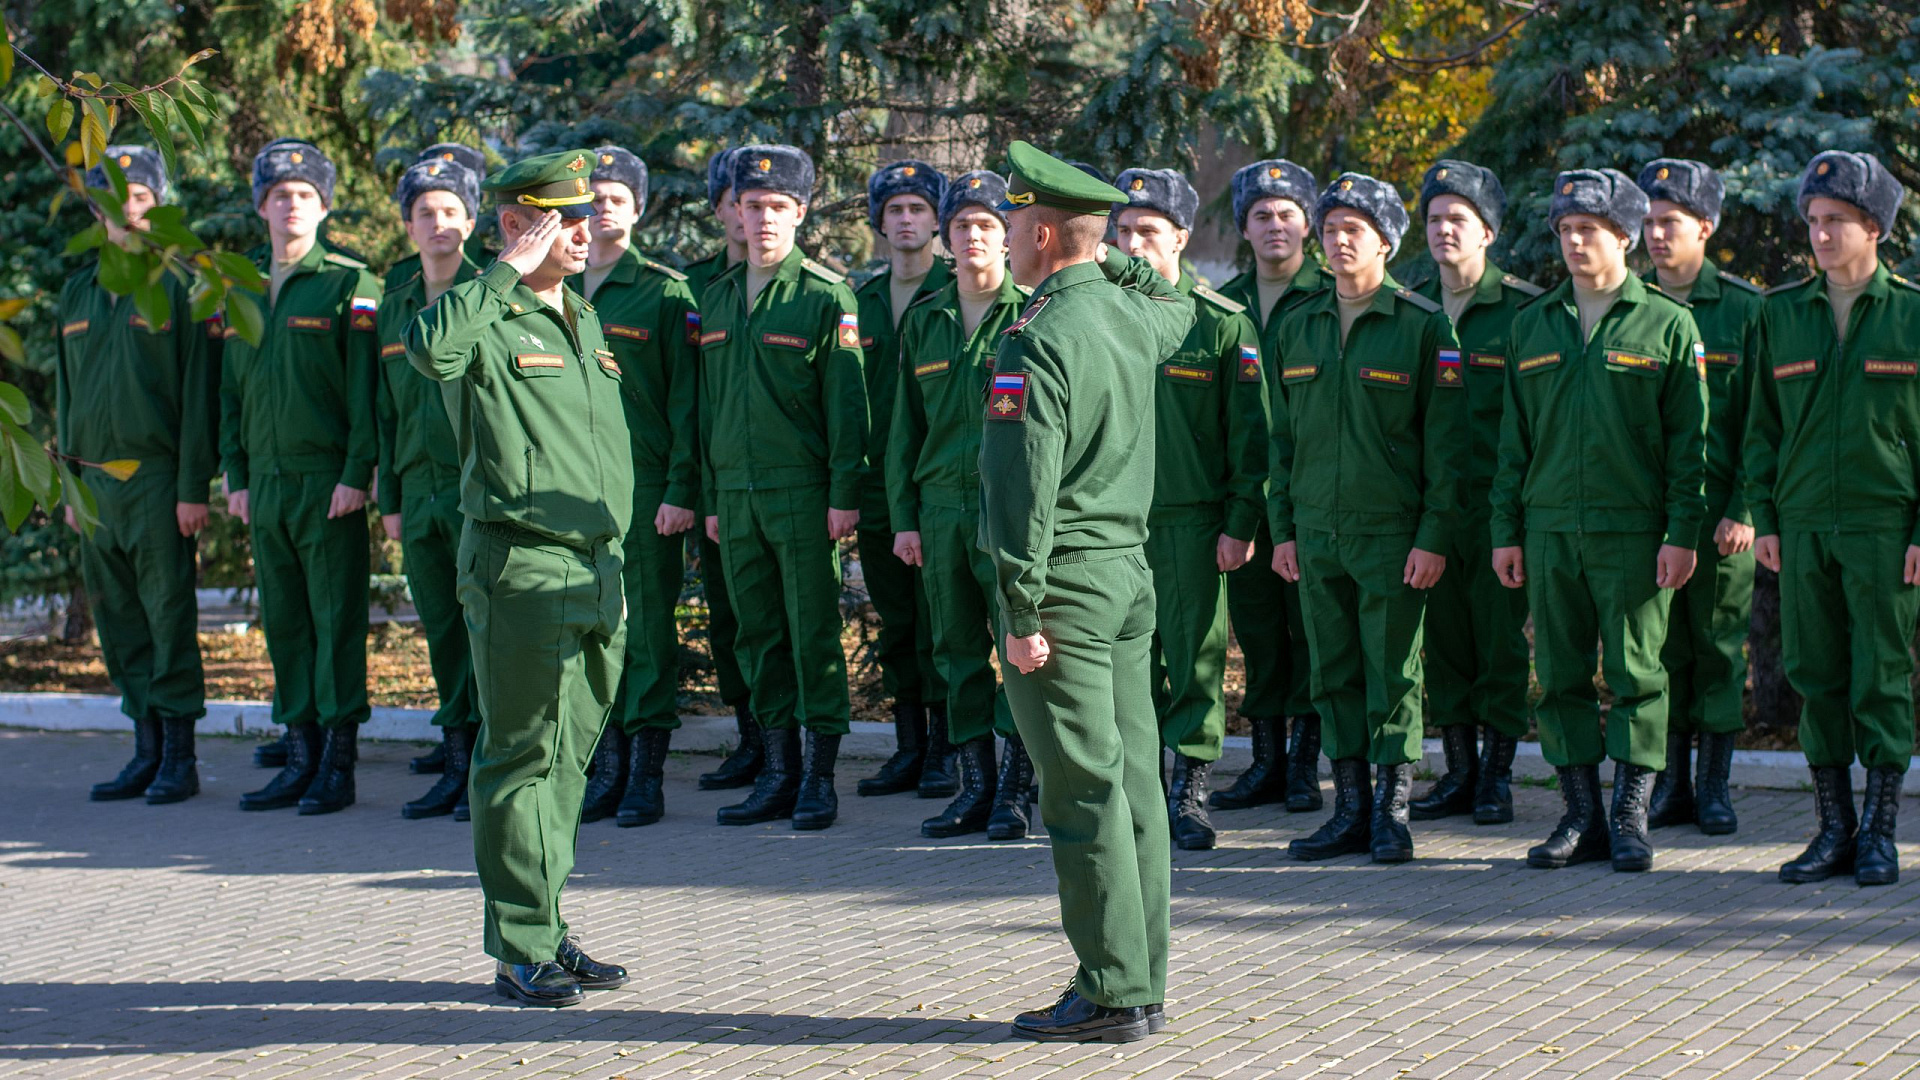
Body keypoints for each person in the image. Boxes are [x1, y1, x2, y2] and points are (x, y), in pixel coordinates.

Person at [405, 149, 633, 1006]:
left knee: (567, 761)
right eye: (563, 219)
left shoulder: (584, 316)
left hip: (598, 564)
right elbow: (429, 350)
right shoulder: (481, 315)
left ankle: (544, 924)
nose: (585, 230)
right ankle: (518, 947)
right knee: (519, 757)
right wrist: (501, 270)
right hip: (522, 561)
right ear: (515, 224)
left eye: (586, 216)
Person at [980, 141, 1193, 1043]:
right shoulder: (1128, 314)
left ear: (1038, 233)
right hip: (1125, 576)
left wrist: (1019, 610)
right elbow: (1181, 303)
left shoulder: (1035, 338)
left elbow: (1020, 493)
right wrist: (1115, 259)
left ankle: (1110, 991)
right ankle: (1141, 979)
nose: (1005, 237)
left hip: (1062, 585)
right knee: (1136, 784)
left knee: (1080, 792)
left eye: (1013, 224)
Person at [1492, 168, 1707, 874]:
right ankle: (1580, 816)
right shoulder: (1533, 324)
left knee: (1637, 674)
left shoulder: (1667, 323)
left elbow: (1691, 445)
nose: (1574, 241)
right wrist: (1506, 532)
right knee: (1559, 677)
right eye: (1565, 229)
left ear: (1624, 236)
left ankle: (1630, 818)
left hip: (1633, 532)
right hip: (1549, 529)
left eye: (1589, 229)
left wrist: (1682, 532)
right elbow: (1513, 444)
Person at [1267, 173, 1466, 864]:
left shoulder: (1421, 325)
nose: (1339, 240)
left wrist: (1433, 536)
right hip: (1316, 533)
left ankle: (1391, 814)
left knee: (1392, 674)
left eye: (1354, 229)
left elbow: (1448, 448)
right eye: (1330, 229)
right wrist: (1284, 530)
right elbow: (1281, 443)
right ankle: (1349, 810)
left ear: (1386, 241)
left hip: (1391, 534)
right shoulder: (1297, 324)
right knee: (1332, 674)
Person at [1750, 150, 1917, 888]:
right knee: (1815, 675)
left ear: (1874, 227)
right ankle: (1833, 829)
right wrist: (1766, 518)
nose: (1820, 234)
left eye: (1836, 221)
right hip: (1804, 524)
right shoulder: (1781, 313)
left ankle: (1879, 834)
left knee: (1881, 674)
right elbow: (1760, 428)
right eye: (1813, 221)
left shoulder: (1912, 314)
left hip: (1885, 525)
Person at [699, 144, 867, 830]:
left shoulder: (825, 296)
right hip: (734, 496)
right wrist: (710, 497)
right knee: (758, 636)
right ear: (735, 212)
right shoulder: (714, 298)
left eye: (777, 206)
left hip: (802, 493)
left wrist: (844, 493)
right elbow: (706, 408)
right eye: (752, 205)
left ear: (800, 213)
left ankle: (819, 779)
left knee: (812, 634)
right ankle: (777, 771)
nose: (763, 218)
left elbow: (847, 406)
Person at [224, 138, 381, 816]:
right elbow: (227, 391)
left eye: (304, 195)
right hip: (264, 482)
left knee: (335, 621)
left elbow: (366, 389)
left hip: (327, 482)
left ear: (324, 206)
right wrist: (235, 473)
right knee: (285, 623)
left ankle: (337, 766)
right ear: (261, 206)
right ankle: (299, 755)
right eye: (279, 195)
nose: (291, 204)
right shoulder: (238, 287)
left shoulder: (350, 283)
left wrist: (357, 472)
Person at [1111, 167, 1266, 851]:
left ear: (1180, 237)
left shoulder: (1221, 323)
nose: (1133, 244)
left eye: (1148, 231)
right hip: (1113, 525)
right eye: (1123, 230)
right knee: (1126, 666)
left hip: (1192, 524)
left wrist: (1240, 523)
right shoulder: (1100, 315)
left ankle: (1190, 794)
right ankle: (1137, 792)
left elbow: (1251, 436)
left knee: (1196, 662)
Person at [62, 146, 217, 806]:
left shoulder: (178, 286)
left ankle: (180, 756)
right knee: (119, 620)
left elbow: (198, 392)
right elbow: (67, 395)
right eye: (114, 196)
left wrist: (191, 488)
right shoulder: (78, 291)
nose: (126, 207)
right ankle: (145, 749)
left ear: (159, 207)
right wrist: (70, 487)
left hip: (156, 481)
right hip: (94, 488)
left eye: (142, 196)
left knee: (167, 615)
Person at [889, 169, 1034, 840]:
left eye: (985, 223)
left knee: (1020, 645)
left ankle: (1015, 790)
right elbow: (903, 430)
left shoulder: (1032, 313)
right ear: (945, 238)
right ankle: (974, 787)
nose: (972, 234)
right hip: (942, 509)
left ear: (1006, 236)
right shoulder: (926, 319)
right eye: (961, 225)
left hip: (1011, 512)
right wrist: (904, 519)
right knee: (955, 651)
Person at [572, 146, 701, 828]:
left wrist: (680, 488)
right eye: (591, 198)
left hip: (644, 488)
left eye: (615, 198)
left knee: (645, 630)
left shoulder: (664, 292)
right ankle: (607, 766)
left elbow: (686, 402)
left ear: (638, 209)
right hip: (569, 488)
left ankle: (646, 775)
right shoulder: (552, 285)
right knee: (589, 629)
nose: (601, 209)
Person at [1409, 160, 1541, 826]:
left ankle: (1496, 776)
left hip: (1496, 510)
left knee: (1499, 645)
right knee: (1445, 645)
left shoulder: (1524, 311)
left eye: (1458, 218)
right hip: (1434, 512)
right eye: (1434, 219)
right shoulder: (1413, 309)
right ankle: (1458, 772)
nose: (1444, 230)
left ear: (1488, 231)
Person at [1636, 158, 1763, 838]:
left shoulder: (1745, 311)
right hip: (1649, 513)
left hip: (1719, 520)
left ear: (1705, 228)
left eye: (1671, 223)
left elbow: (1762, 422)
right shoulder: (1632, 304)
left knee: (1715, 646)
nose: (1656, 235)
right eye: (1649, 223)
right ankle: (1671, 785)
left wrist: (1745, 507)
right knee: (1659, 650)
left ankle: (1712, 786)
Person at [1211, 159, 1328, 816]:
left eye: (1287, 213)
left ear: (1307, 224)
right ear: (1244, 227)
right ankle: (1265, 763)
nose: (1274, 225)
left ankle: (1304, 767)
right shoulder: (1222, 305)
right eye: (1261, 215)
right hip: (1244, 502)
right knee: (1257, 634)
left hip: (1309, 497)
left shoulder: (1331, 296)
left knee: (1309, 633)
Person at [378, 157, 484, 822]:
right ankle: (456, 760)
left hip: (480, 489)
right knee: (442, 630)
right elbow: (384, 411)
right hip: (418, 493)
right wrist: (390, 499)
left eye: (451, 211)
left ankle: (490, 768)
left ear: (470, 223)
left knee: (487, 632)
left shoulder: (493, 296)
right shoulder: (395, 306)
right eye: (426, 213)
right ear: (409, 226)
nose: (438, 223)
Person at [852, 160, 955, 801]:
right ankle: (909, 746)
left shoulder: (955, 291)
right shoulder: (859, 302)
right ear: (879, 221)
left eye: (919, 208)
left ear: (937, 219)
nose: (907, 219)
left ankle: (947, 750)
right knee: (896, 623)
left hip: (938, 486)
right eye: (895, 209)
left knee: (942, 621)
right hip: (877, 492)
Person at [681, 147, 759, 793]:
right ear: (720, 210)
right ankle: (751, 735)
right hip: (715, 482)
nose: (745, 213)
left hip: (775, 484)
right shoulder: (694, 288)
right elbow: (689, 398)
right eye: (735, 201)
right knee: (728, 616)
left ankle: (783, 744)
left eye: (756, 202)